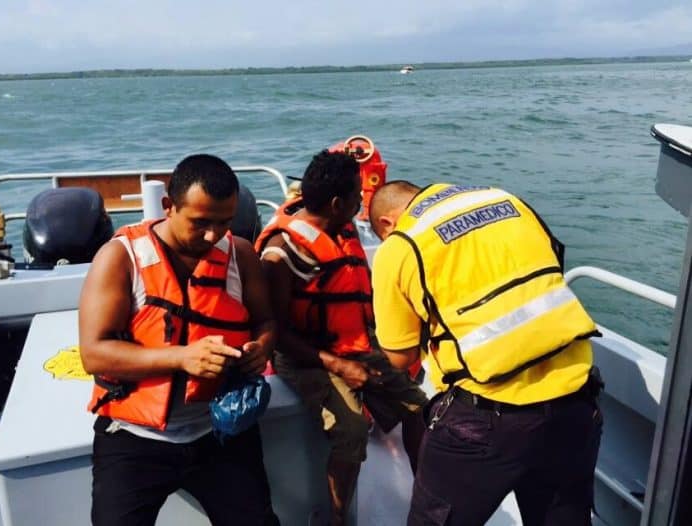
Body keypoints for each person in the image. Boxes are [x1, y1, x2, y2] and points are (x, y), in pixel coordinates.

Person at [369, 181, 604, 526]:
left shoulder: (401, 245)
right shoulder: (508, 200)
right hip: (577, 404)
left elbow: (400, 359)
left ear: (387, 224)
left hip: (486, 420)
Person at [79, 154, 278, 526]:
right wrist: (182, 357)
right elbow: (94, 353)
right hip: (135, 437)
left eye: (224, 223)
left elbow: (265, 320)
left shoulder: (241, 255)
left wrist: (261, 347)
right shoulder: (120, 258)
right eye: (200, 223)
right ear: (169, 207)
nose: (212, 236)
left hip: (220, 431)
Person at [255, 151, 427, 526]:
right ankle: (337, 518)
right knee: (350, 429)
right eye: (356, 198)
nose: (360, 206)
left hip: (354, 345)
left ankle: (425, 496)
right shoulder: (282, 253)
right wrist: (337, 365)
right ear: (337, 203)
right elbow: (277, 333)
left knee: (420, 407)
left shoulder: (341, 229)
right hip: (304, 357)